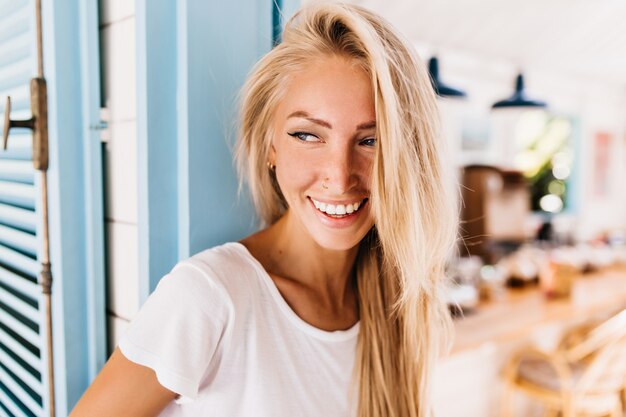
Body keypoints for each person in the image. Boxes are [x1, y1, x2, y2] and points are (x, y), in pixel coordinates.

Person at [70, 2, 458, 416]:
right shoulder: (209, 297)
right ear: (271, 146)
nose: (340, 177)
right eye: (308, 135)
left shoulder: (396, 305)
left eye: (371, 141)